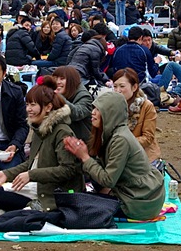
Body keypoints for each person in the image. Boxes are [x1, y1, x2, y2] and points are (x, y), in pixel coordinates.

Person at [0, 76, 84, 212]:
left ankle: (36, 208)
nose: (28, 109)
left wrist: (31, 175)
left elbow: (68, 170)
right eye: (27, 104)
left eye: (33, 105)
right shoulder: (39, 128)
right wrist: (6, 174)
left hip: (56, 193)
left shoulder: (62, 132)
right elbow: (32, 162)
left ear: (48, 107)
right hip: (38, 186)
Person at [64, 91, 165, 220]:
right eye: (93, 108)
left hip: (138, 202)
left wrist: (84, 157)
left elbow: (108, 180)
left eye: (98, 109)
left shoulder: (120, 139)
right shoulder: (112, 133)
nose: (93, 112)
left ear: (110, 113)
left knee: (79, 206)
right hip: (136, 194)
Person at [111, 68, 161, 162]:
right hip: (116, 154)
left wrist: (122, 144)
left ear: (134, 87)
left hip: (142, 155)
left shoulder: (146, 106)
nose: (118, 90)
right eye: (115, 86)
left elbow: (148, 138)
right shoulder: (111, 105)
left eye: (122, 86)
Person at [52, 67, 93, 143]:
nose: (58, 82)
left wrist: (59, 98)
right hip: (62, 139)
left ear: (71, 81)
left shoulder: (84, 96)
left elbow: (77, 113)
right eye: (55, 78)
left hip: (81, 143)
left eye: (62, 79)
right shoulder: (58, 94)